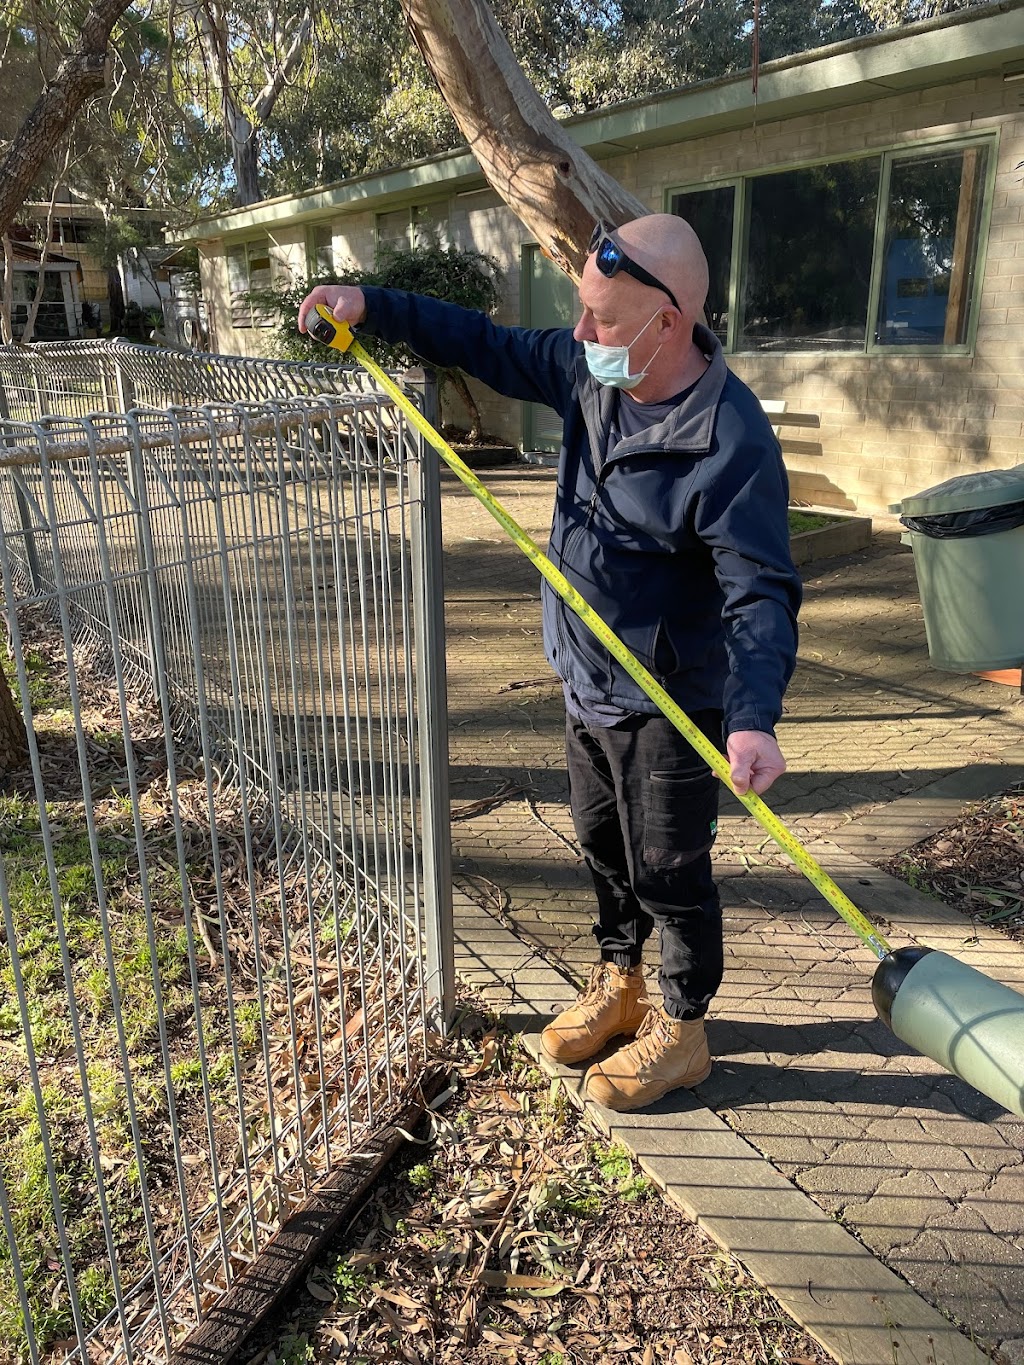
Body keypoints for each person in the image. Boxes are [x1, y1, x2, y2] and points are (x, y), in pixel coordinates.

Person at [298, 214, 801, 1112]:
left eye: (601, 317)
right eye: (582, 312)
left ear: (669, 322)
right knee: (604, 849)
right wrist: (368, 303)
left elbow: (759, 589)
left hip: (669, 703)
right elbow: (481, 342)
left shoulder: (732, 441)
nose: (580, 334)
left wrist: (755, 712)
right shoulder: (589, 371)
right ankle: (623, 982)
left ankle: (684, 1028)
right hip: (584, 678)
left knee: (669, 870)